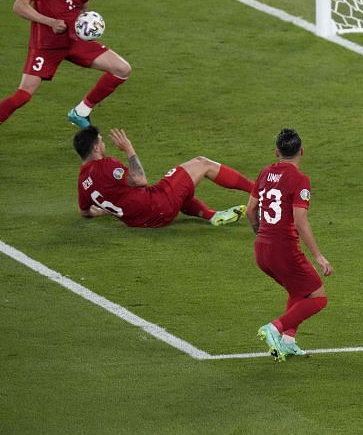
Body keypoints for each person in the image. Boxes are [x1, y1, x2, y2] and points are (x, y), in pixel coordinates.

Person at [0, 0, 131, 128]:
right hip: (46, 45)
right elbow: (19, 6)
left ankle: (81, 111)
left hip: (74, 40)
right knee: (24, 94)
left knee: (122, 69)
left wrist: (87, 22)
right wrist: (50, 22)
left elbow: (82, 5)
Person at [247, 128, 333, 362]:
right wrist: (319, 256)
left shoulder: (265, 173)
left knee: (298, 291)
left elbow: (250, 210)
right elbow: (300, 220)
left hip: (261, 251)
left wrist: (261, 233)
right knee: (318, 297)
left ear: (277, 152)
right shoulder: (299, 179)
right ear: (301, 151)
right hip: (283, 251)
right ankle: (274, 328)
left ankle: (288, 342)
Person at [74, 126, 252, 227]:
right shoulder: (106, 165)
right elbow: (140, 180)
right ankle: (259, 189)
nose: (104, 143)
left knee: (181, 189)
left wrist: (106, 210)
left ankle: (211, 215)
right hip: (157, 206)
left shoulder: (82, 181)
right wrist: (129, 149)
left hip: (138, 221)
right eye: (101, 141)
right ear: (96, 148)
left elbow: (85, 212)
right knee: (202, 163)